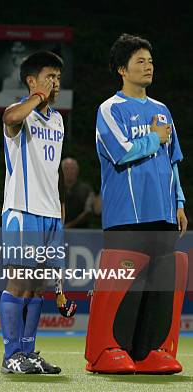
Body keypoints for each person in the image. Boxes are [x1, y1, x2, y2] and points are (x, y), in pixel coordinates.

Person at [87, 33, 187, 375]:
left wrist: (179, 202)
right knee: (127, 285)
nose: (148, 67)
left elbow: (173, 161)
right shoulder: (110, 109)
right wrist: (153, 138)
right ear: (121, 69)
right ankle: (107, 349)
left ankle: (148, 351)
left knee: (159, 284)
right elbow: (121, 152)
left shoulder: (162, 110)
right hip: (126, 214)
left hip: (163, 212)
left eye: (150, 61)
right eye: (140, 61)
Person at [0, 51, 65, 374]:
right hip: (22, 210)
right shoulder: (18, 113)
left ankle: (28, 352)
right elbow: (11, 119)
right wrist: (35, 98)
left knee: (38, 287)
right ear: (31, 80)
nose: (55, 83)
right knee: (19, 284)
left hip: (50, 213)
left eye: (58, 78)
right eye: (49, 77)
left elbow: (56, 175)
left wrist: (60, 212)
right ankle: (11, 354)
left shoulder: (58, 119)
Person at [61, 157, 95, 228]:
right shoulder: (56, 190)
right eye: (66, 168)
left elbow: (88, 211)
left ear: (77, 170)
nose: (69, 171)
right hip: (59, 232)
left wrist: (69, 225)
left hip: (81, 232)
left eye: (72, 168)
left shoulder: (86, 189)